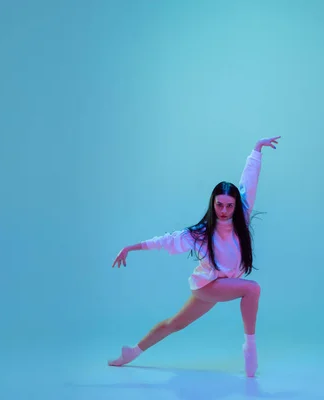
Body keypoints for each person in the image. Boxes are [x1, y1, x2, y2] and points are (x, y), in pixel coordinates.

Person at [108, 136, 281, 378]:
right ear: (212, 203)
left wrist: (256, 150)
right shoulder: (200, 233)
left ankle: (132, 353)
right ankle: (250, 349)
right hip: (208, 285)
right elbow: (164, 240)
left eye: (229, 206)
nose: (223, 211)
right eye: (219, 205)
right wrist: (130, 248)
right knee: (252, 289)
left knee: (174, 324)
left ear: (236, 205)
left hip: (219, 285)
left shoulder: (242, 212)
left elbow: (248, 182)